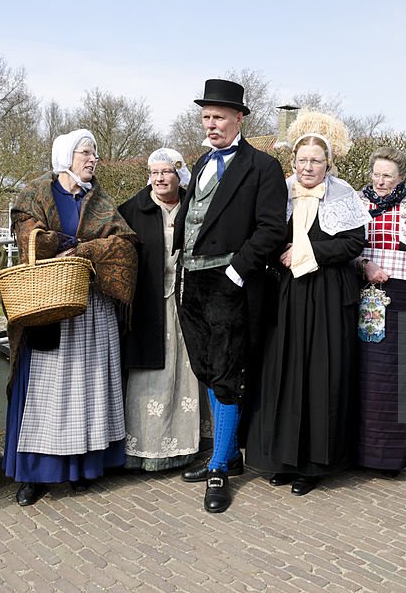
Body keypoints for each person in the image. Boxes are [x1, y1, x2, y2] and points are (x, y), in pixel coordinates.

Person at [2, 130, 137, 507]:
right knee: (47, 393)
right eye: (85, 153)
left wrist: (84, 251)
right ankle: (35, 475)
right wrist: (64, 247)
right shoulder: (35, 194)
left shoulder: (103, 201)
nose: (92, 159)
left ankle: (83, 468)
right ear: (66, 155)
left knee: (88, 390)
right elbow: (30, 237)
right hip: (50, 303)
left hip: (91, 307)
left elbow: (125, 245)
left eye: (94, 153)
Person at [173, 79, 287, 513]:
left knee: (226, 370)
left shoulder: (263, 167)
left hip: (231, 280)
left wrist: (237, 272)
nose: (211, 124)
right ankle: (228, 453)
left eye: (218, 116)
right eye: (205, 117)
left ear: (239, 118)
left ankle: (220, 463)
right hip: (192, 278)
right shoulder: (202, 162)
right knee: (205, 364)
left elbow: (272, 227)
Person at [245, 111, 369, 496]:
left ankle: (314, 466)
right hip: (286, 295)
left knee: (319, 375)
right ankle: (283, 458)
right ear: (293, 162)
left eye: (316, 160)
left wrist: (305, 248)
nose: (308, 167)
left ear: (328, 163)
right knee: (282, 373)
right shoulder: (279, 191)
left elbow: (353, 243)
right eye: (302, 160)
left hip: (328, 294)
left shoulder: (344, 194)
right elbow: (263, 236)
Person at [117, 148, 203, 472]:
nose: (159, 178)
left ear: (179, 175)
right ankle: (144, 449)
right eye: (154, 172)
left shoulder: (192, 208)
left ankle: (182, 447)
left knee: (184, 374)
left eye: (166, 172)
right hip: (148, 305)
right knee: (148, 378)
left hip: (185, 303)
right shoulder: (132, 211)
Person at [352, 146, 406, 475]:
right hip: (365, 292)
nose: (381, 180)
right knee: (363, 374)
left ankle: (389, 456)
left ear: (401, 176)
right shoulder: (356, 203)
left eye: (388, 175)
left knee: (396, 377)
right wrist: (364, 263)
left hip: (403, 296)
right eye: (377, 173)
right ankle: (358, 451)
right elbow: (348, 248)